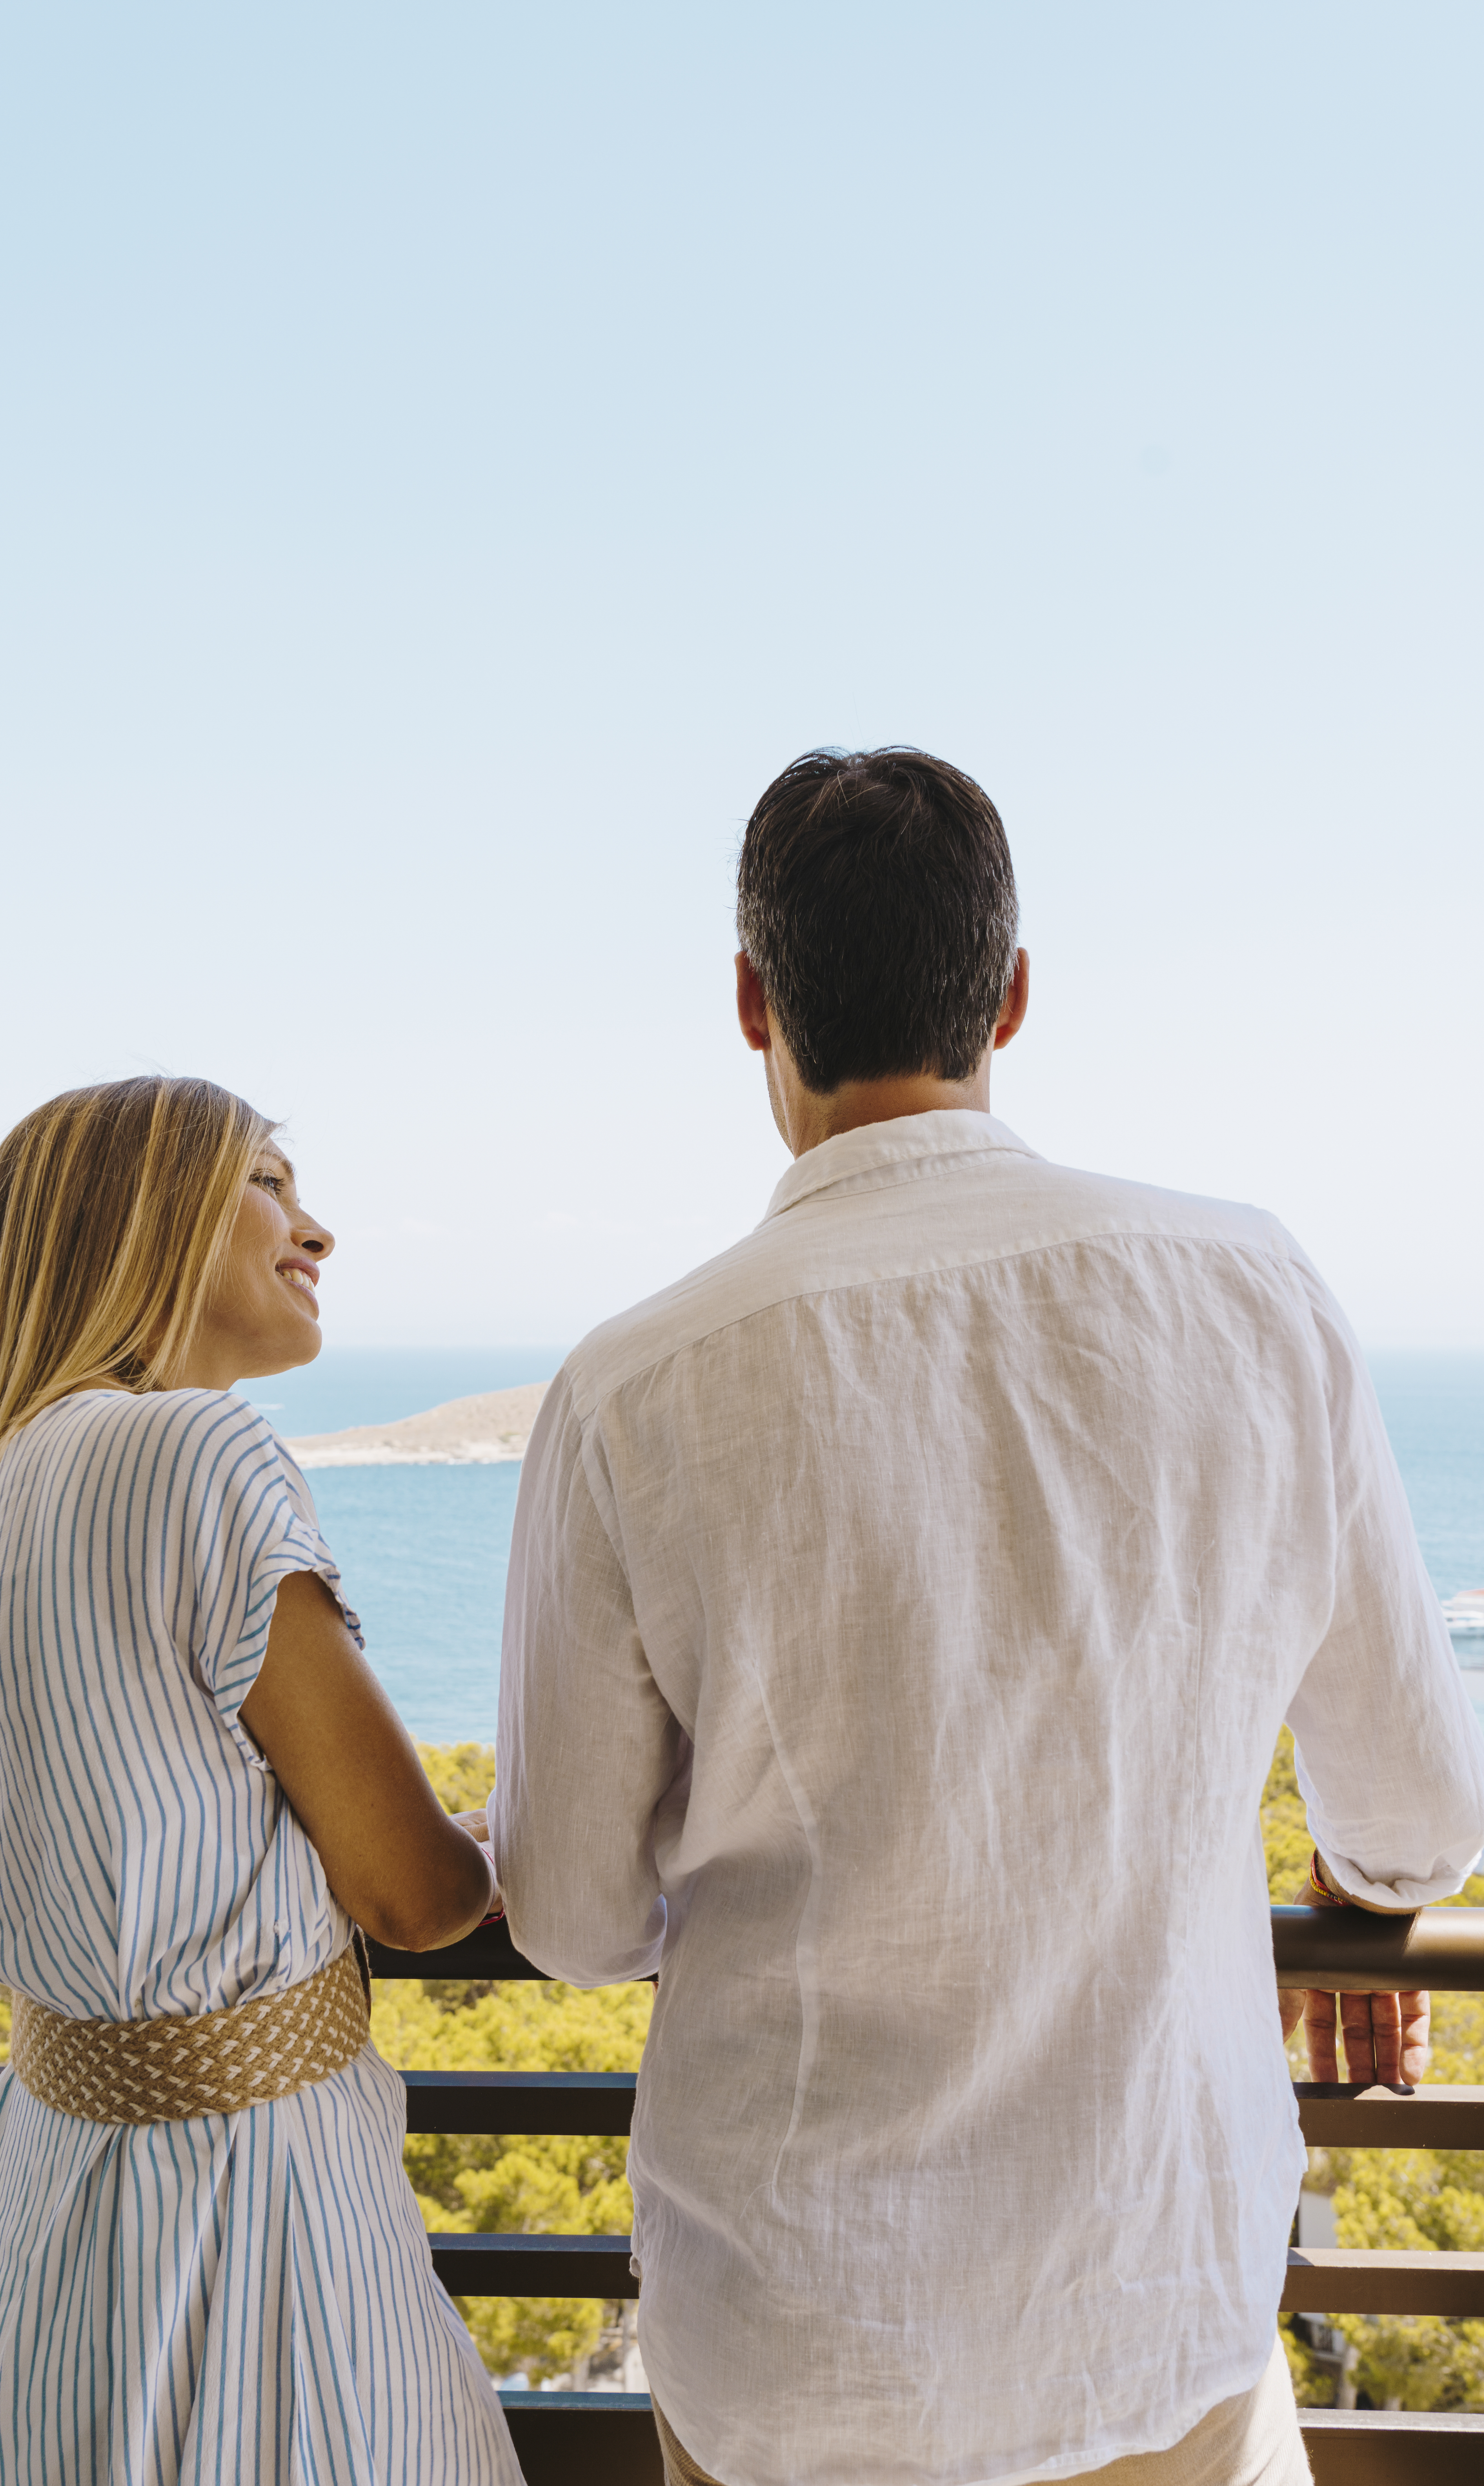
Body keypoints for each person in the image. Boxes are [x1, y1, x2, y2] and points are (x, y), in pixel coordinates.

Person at [490, 748, 1484, 2486]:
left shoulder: (633, 1384)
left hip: (790, 2351)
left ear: (751, 1000)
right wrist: (1358, 1886)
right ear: (1011, 990)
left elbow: (572, 1918)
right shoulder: (1252, 1291)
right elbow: (1414, 1812)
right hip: (1147, 2314)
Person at [0, 1075, 522, 2486]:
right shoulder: (194, 1449)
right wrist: (558, 1821)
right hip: (245, 2218)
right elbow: (410, 1893)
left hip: (37, 2202)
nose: (315, 1227)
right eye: (268, 1180)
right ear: (143, 1219)